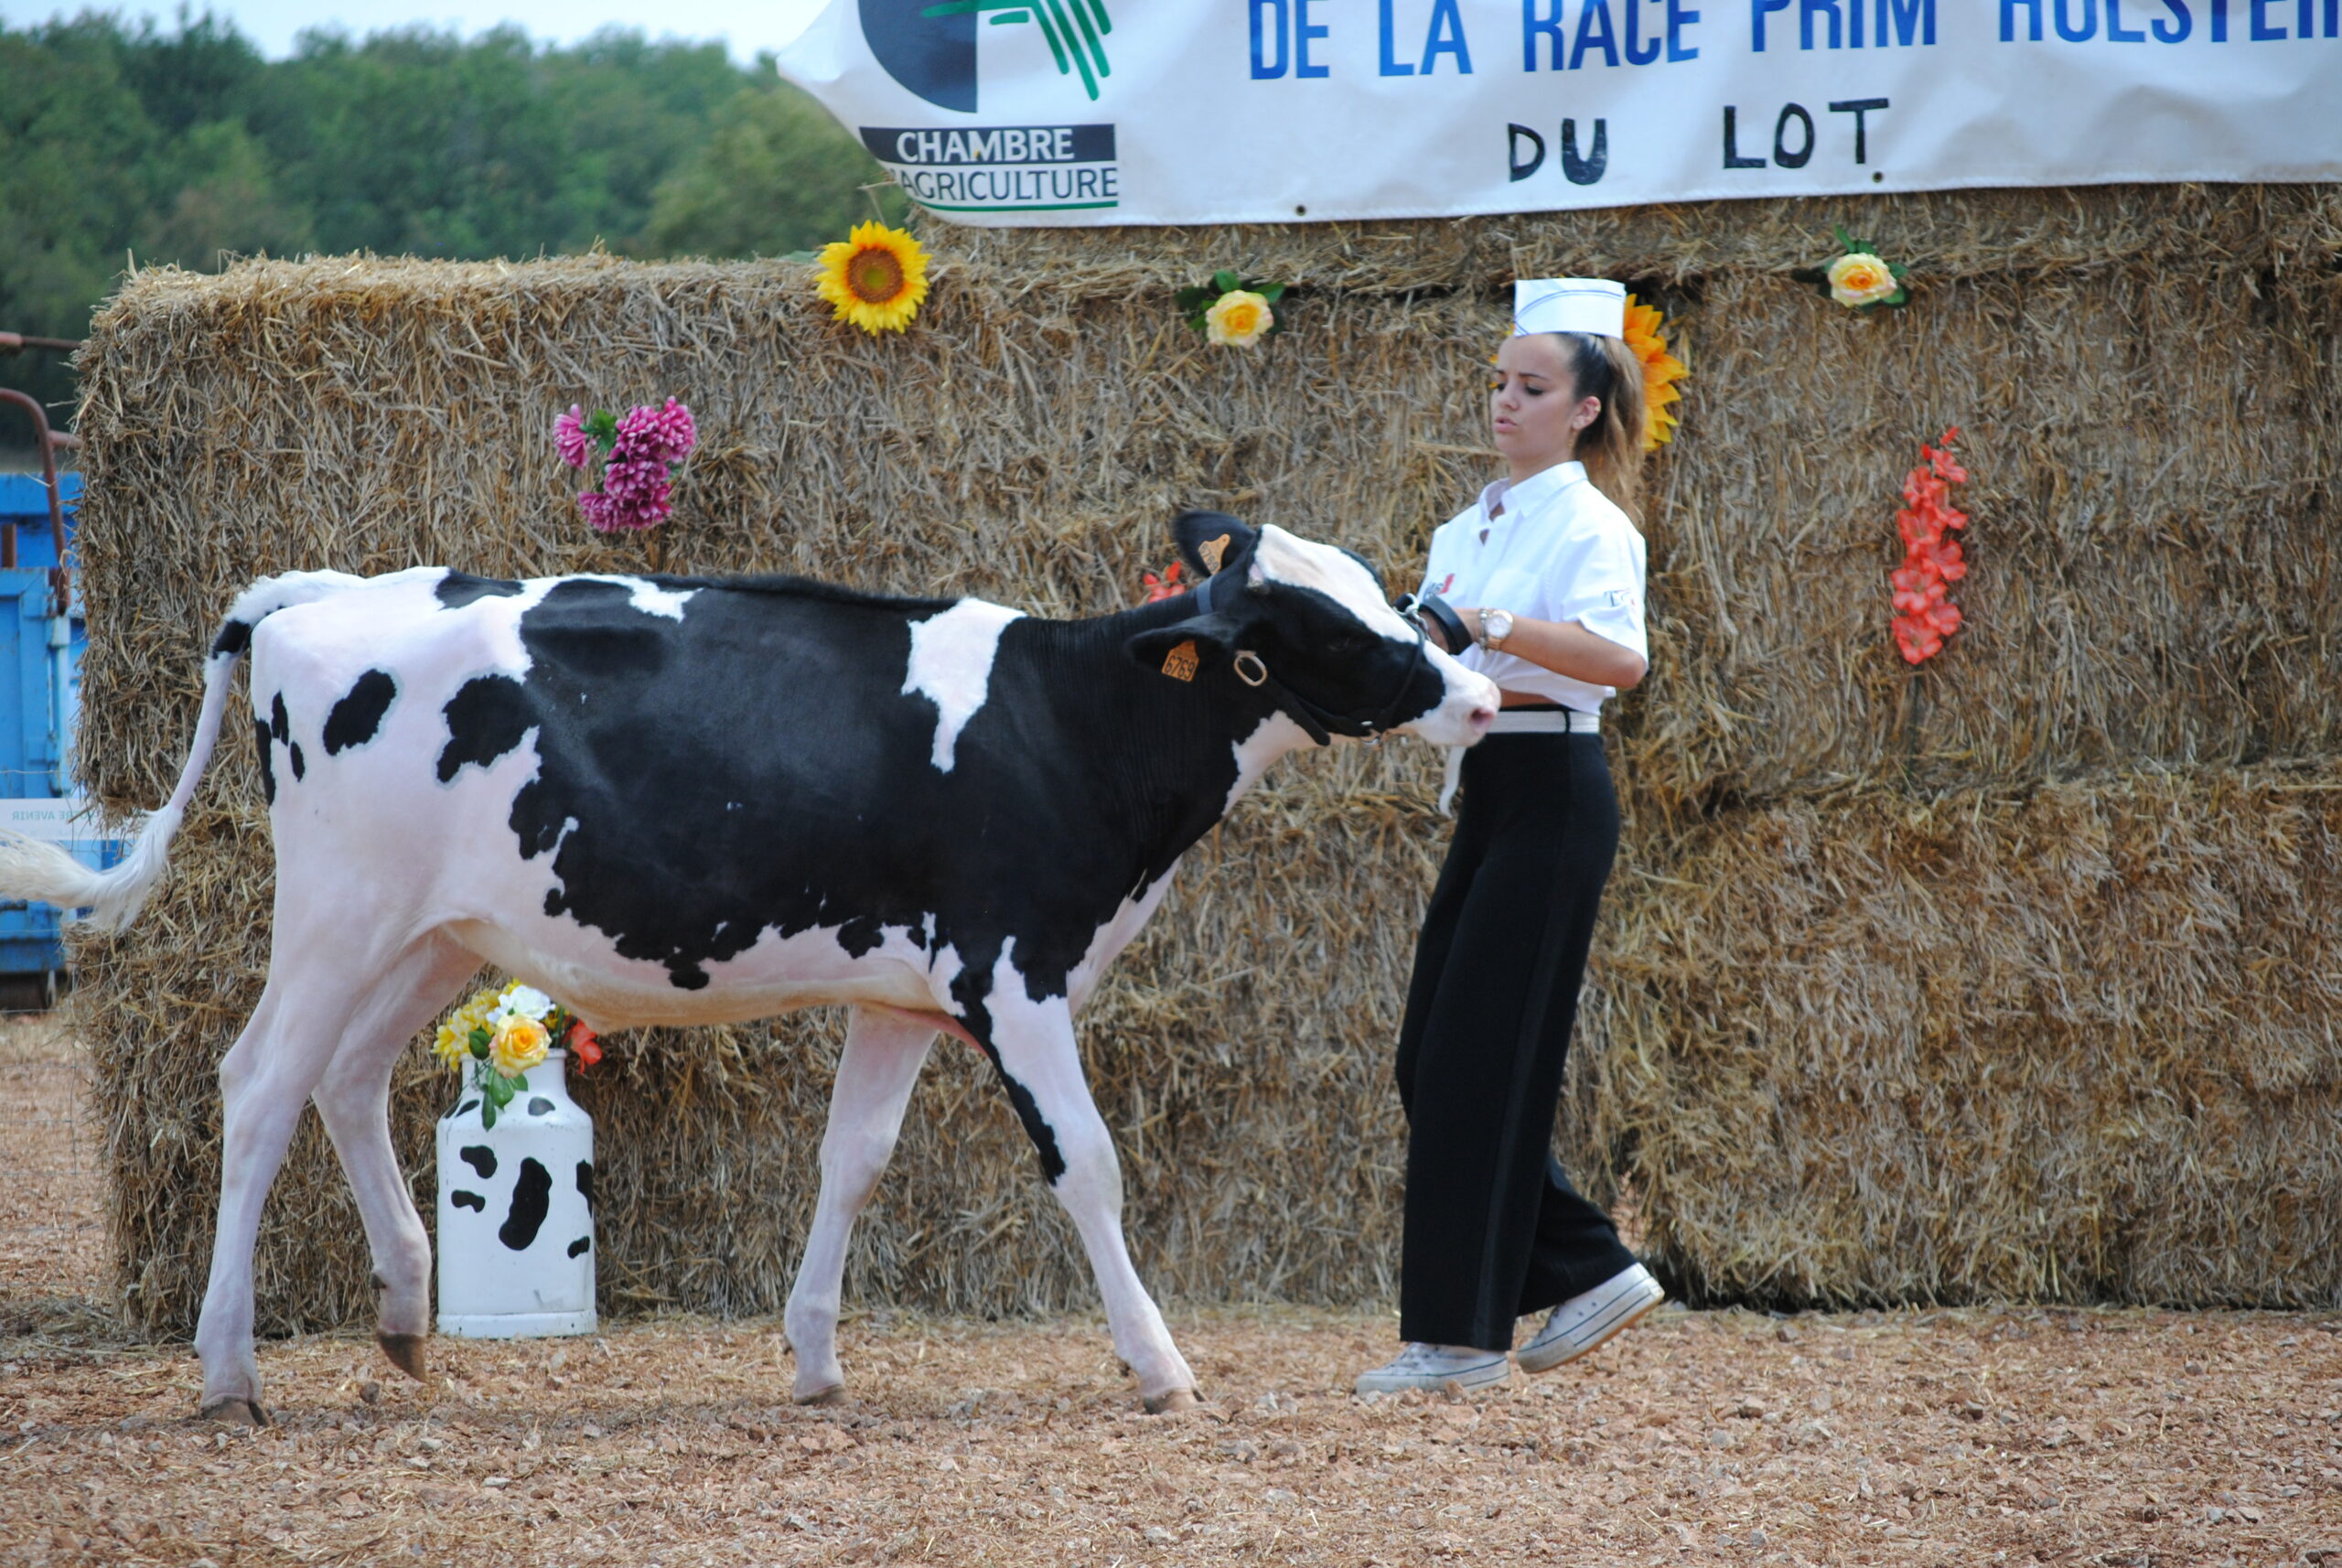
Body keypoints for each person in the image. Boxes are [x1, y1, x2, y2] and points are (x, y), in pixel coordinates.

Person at [1355, 278, 1666, 1397]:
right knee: (1429, 1058)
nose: (1503, 402)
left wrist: (1484, 622)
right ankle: (1583, 1264)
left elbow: (1619, 661)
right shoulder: (1465, 525)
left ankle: (1460, 1339)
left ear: (1584, 408)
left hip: (1554, 782)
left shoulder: (1591, 522)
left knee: (1478, 1058)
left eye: (1530, 387)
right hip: (1488, 784)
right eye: (1498, 381)